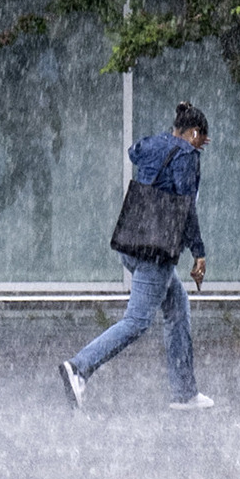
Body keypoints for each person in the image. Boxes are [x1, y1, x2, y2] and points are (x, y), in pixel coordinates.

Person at [58, 102, 214, 411]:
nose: (201, 147)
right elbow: (186, 208)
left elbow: (135, 152)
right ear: (194, 133)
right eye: (201, 140)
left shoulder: (153, 144)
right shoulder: (187, 156)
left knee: (177, 307)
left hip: (133, 243)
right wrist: (199, 253)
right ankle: (79, 368)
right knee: (136, 322)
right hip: (156, 252)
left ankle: (185, 392)